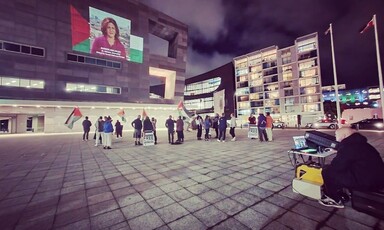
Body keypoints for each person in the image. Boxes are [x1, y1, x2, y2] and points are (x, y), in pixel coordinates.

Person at [319, 127, 384, 208]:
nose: (335, 137)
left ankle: (334, 199)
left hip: (368, 183)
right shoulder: (361, 144)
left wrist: (340, 153)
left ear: (343, 135)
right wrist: (339, 151)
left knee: (327, 171)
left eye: (336, 135)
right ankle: (340, 192)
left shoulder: (348, 148)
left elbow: (336, 167)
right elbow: (354, 154)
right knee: (341, 169)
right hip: (377, 178)